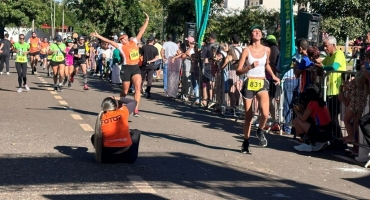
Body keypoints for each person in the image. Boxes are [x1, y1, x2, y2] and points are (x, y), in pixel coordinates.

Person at [91, 12, 149, 117]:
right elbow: (108, 40)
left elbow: (141, 31)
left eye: (124, 37)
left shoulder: (134, 42)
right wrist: (98, 35)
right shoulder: (120, 46)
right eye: (121, 39)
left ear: (127, 36)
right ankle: (120, 106)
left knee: (137, 88)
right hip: (126, 69)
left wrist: (147, 20)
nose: (123, 39)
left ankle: (136, 109)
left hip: (135, 68)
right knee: (125, 91)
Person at [236, 25, 280, 154]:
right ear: (251, 35)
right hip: (249, 82)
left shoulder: (267, 50)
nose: (257, 33)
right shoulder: (246, 50)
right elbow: (238, 71)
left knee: (265, 113)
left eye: (259, 31)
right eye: (254, 31)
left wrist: (273, 76)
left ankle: (260, 130)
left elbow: (266, 65)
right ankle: (245, 141)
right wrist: (249, 67)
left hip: (261, 82)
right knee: (248, 116)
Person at [314, 36, 346, 141]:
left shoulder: (339, 54)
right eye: (324, 46)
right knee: (330, 117)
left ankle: (340, 141)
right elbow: (322, 63)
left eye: (326, 45)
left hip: (337, 91)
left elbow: (334, 67)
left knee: (333, 117)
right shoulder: (330, 55)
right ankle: (334, 139)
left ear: (333, 45)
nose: (325, 48)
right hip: (329, 90)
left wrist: (322, 67)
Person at [91, 96, 140, 163]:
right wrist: (117, 98)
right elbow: (134, 102)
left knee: (94, 137)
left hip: (107, 159)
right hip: (129, 157)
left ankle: (102, 154)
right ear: (116, 106)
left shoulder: (101, 116)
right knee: (136, 132)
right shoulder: (122, 112)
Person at [293, 84, 332, 152]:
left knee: (296, 121)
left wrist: (296, 111)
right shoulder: (321, 101)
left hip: (320, 132)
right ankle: (315, 142)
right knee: (305, 121)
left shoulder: (312, 103)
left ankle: (307, 143)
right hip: (327, 131)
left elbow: (303, 118)